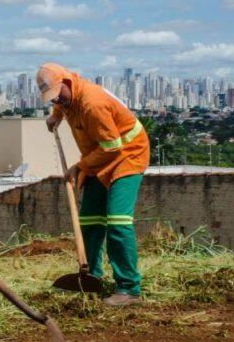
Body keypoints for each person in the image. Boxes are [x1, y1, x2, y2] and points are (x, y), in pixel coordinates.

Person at [37, 63, 150, 306]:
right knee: (89, 219)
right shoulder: (68, 96)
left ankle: (129, 289)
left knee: (118, 222)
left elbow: (113, 147)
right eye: (52, 98)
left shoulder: (92, 103)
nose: (57, 100)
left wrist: (80, 167)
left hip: (127, 155)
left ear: (67, 82)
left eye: (58, 95)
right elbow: (62, 102)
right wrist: (56, 115)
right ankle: (93, 278)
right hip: (100, 155)